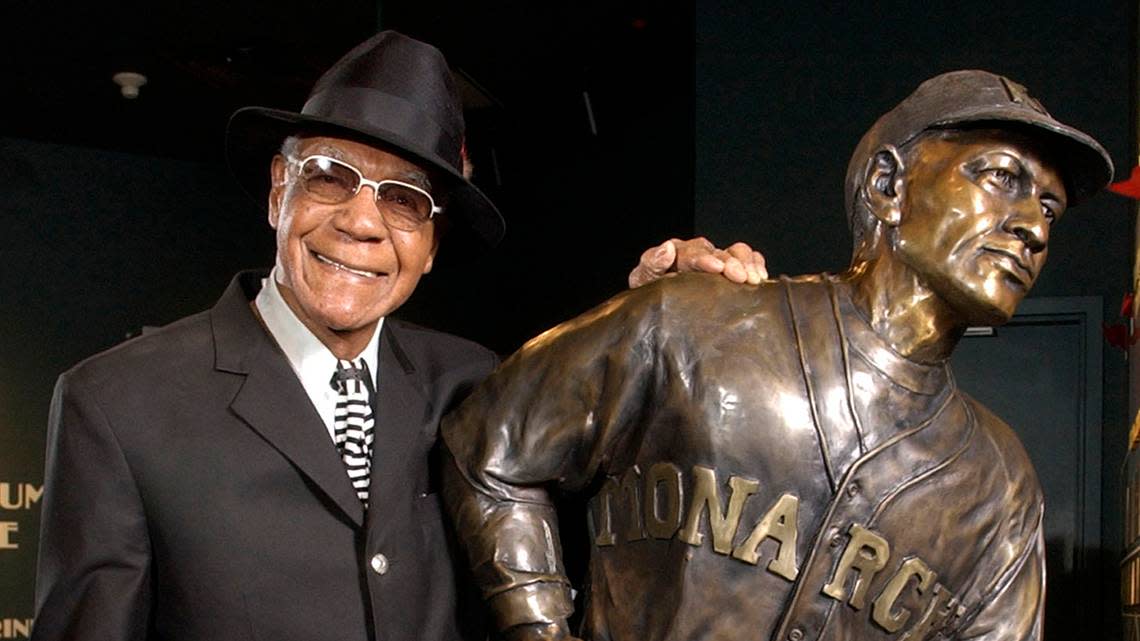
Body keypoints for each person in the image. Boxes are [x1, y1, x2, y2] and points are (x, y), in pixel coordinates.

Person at [30, 31, 763, 641]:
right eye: (329, 178)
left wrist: (658, 320)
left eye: (405, 199)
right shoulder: (118, 406)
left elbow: (624, 498)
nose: (361, 222)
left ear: (432, 243)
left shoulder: (477, 385)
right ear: (277, 190)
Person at [442, 70, 1114, 641]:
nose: (1031, 227)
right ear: (888, 184)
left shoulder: (999, 485)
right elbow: (486, 448)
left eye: (1050, 210)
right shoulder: (697, 322)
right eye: (1000, 176)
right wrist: (540, 624)